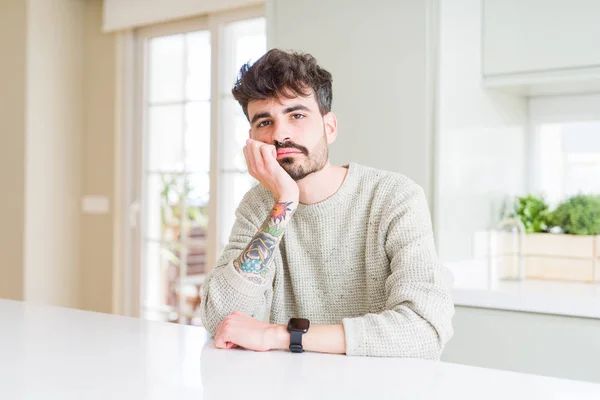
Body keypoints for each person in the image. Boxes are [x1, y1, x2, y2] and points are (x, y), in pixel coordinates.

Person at [199, 49, 454, 358]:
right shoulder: (261, 205)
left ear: (329, 127)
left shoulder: (394, 197)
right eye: (265, 122)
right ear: (251, 137)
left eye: (297, 115)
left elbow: (424, 330)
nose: (280, 134)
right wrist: (285, 202)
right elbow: (221, 320)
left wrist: (282, 335)